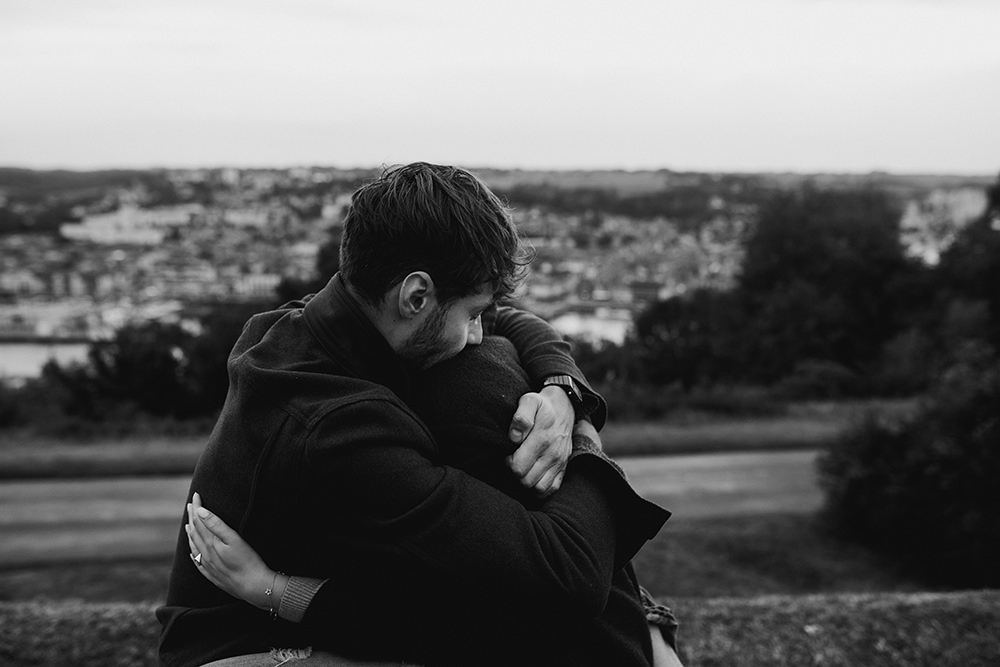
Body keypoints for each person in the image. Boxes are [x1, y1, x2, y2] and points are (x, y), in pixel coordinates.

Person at [157, 162, 675, 666]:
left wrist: (561, 393)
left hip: (325, 603)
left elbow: (513, 321)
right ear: (416, 295)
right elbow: (565, 578)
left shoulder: (319, 323)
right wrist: (582, 436)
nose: (479, 333)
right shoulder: (343, 429)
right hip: (247, 646)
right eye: (471, 314)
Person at [185, 336, 682, 666]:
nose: (477, 330)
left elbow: (440, 622)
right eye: (473, 313)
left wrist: (272, 589)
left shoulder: (453, 411)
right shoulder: (495, 368)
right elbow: (514, 318)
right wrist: (568, 402)